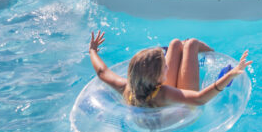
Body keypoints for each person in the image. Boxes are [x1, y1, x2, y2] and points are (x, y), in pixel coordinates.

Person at [87, 32, 251, 109]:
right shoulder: (163, 92)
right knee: (192, 43)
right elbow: (200, 99)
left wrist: (93, 51)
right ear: (158, 78)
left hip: (155, 105)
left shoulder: (127, 87)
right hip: (183, 112)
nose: (167, 65)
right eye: (164, 66)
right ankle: (212, 56)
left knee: (174, 44)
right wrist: (231, 74)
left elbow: (102, 72)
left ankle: (191, 49)